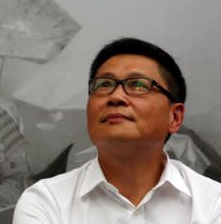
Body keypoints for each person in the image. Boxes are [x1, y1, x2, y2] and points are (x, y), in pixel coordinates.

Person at [13, 37, 221, 224]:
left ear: (174, 117)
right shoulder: (45, 202)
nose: (116, 97)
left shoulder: (213, 203)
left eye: (138, 84)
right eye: (104, 84)